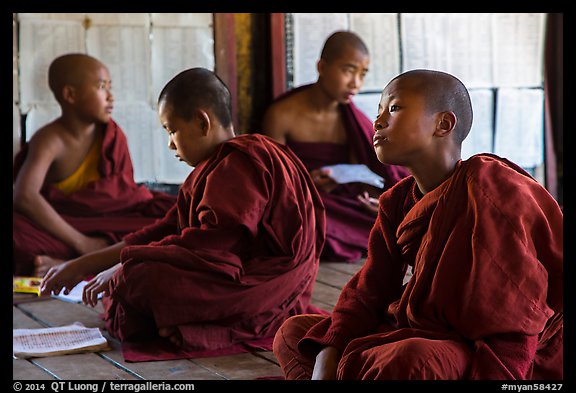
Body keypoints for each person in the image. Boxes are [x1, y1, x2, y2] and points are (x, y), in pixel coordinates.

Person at [272, 69, 563, 380]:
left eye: (394, 109)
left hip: (492, 348)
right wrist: (328, 354)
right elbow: (370, 290)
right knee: (294, 333)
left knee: (410, 360)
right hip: (423, 331)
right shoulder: (396, 201)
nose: (378, 122)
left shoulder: (492, 188)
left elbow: (515, 315)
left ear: (443, 124)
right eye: (379, 111)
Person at [40, 67, 326, 354]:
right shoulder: (213, 168)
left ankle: (204, 328)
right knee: (126, 282)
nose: (170, 143)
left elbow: (212, 250)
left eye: (172, 130)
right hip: (235, 278)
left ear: (202, 122)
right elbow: (163, 231)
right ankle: (193, 325)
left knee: (136, 281)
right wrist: (82, 265)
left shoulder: (239, 164)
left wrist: (124, 266)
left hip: (261, 286)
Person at [13, 53, 176, 277]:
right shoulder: (50, 139)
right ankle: (88, 260)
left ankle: (69, 263)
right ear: (70, 94)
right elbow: (24, 196)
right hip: (61, 227)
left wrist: (92, 242)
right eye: (101, 87)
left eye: (110, 87)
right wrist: (82, 242)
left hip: (109, 222)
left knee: (172, 219)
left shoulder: (112, 135)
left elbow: (124, 196)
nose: (111, 97)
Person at [262, 31, 409, 263]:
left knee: (386, 217)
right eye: (348, 70)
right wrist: (307, 183)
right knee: (294, 223)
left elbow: (366, 170)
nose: (356, 83)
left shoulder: (351, 117)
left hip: (337, 198)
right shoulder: (282, 114)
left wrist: (373, 198)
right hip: (300, 199)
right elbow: (272, 181)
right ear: (322, 67)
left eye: (362, 74)